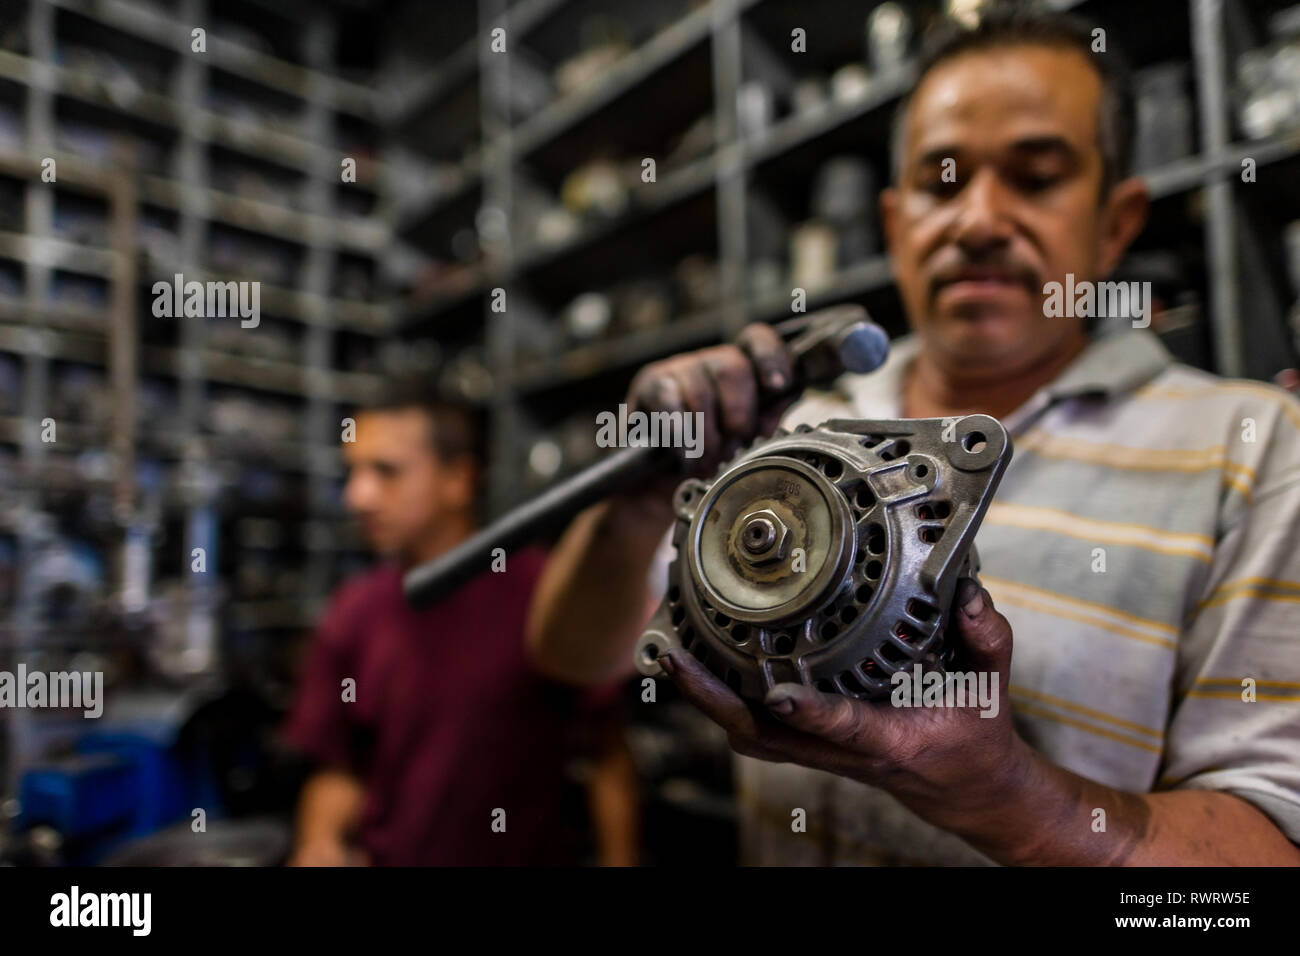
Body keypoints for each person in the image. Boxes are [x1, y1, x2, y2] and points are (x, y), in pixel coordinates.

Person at [526, 7, 1300, 865]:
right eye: (941, 181)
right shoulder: (789, 435)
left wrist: (1008, 797)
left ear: (1117, 222)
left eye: (1037, 177)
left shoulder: (1252, 449)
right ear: (895, 226)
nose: (976, 219)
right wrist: (634, 507)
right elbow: (572, 657)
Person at [284, 380, 638, 866]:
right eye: (354, 473)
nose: (358, 496)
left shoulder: (543, 590)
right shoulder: (354, 610)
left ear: (458, 479)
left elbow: (606, 754)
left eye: (385, 471)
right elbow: (341, 767)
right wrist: (319, 844)